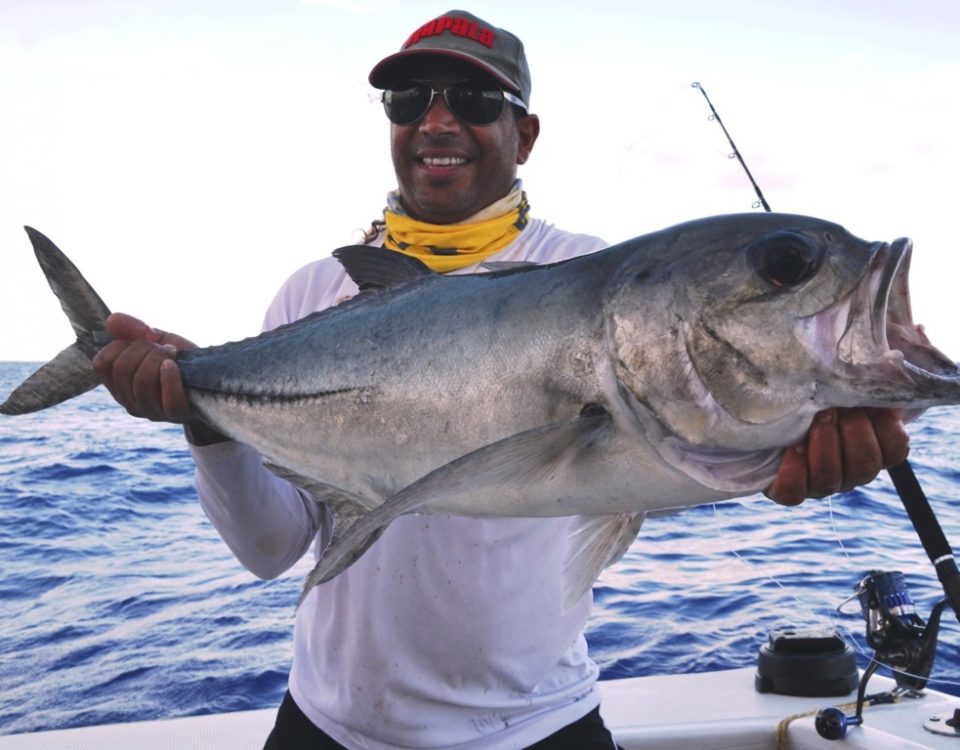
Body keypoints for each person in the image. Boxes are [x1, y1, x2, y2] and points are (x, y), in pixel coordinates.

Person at [92, 9, 910, 749]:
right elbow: (270, 550)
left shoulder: (589, 274)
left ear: (525, 134)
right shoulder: (317, 296)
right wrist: (202, 414)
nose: (437, 120)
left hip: (538, 729)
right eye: (408, 100)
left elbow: (681, 445)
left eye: (477, 102)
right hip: (327, 727)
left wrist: (791, 443)